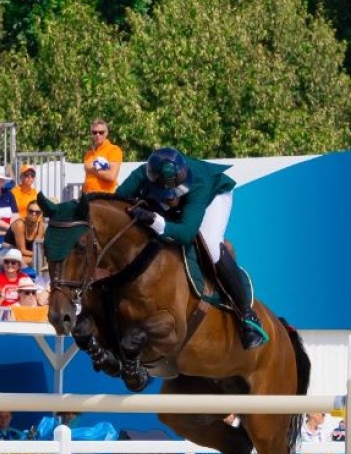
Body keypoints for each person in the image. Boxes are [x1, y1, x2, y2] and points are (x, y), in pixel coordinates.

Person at [115, 146, 267, 350]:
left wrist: (153, 220)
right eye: (166, 192)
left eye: (176, 191)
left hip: (214, 195)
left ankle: (247, 316)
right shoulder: (141, 175)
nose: (172, 197)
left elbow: (186, 234)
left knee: (210, 245)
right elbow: (116, 203)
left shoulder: (199, 184)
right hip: (165, 201)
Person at [83, 119, 122, 194]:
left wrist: (92, 169)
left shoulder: (114, 150)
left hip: (105, 197)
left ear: (106, 133)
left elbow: (111, 176)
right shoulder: (88, 154)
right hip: (88, 195)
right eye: (94, 132)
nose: (98, 135)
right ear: (91, 134)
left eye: (101, 132)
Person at [5, 201, 46, 267]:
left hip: (26, 255)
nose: (34, 214)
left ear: (41, 214)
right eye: (31, 211)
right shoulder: (20, 224)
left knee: (41, 260)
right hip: (9, 252)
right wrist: (42, 255)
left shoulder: (41, 226)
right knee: (38, 261)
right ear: (26, 211)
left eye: (37, 212)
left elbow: (37, 248)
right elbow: (22, 250)